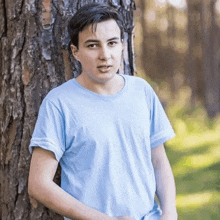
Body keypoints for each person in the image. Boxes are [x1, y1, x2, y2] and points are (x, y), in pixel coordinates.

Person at [28, 3, 178, 220]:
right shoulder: (59, 103)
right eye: (92, 45)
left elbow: (159, 161)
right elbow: (38, 184)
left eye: (112, 43)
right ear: (75, 52)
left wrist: (169, 213)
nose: (105, 55)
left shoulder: (141, 91)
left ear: (122, 46)